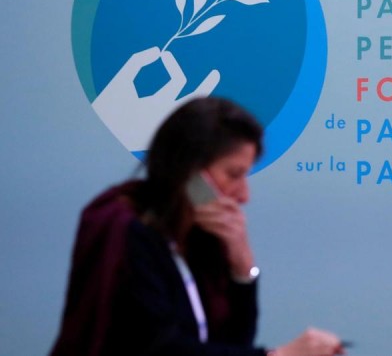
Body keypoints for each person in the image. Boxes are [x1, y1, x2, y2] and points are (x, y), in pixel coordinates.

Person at [51, 97, 345, 356]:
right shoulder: (122, 227)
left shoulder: (200, 238)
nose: (244, 195)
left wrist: (243, 269)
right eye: (233, 174)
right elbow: (155, 347)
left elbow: (232, 343)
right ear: (189, 170)